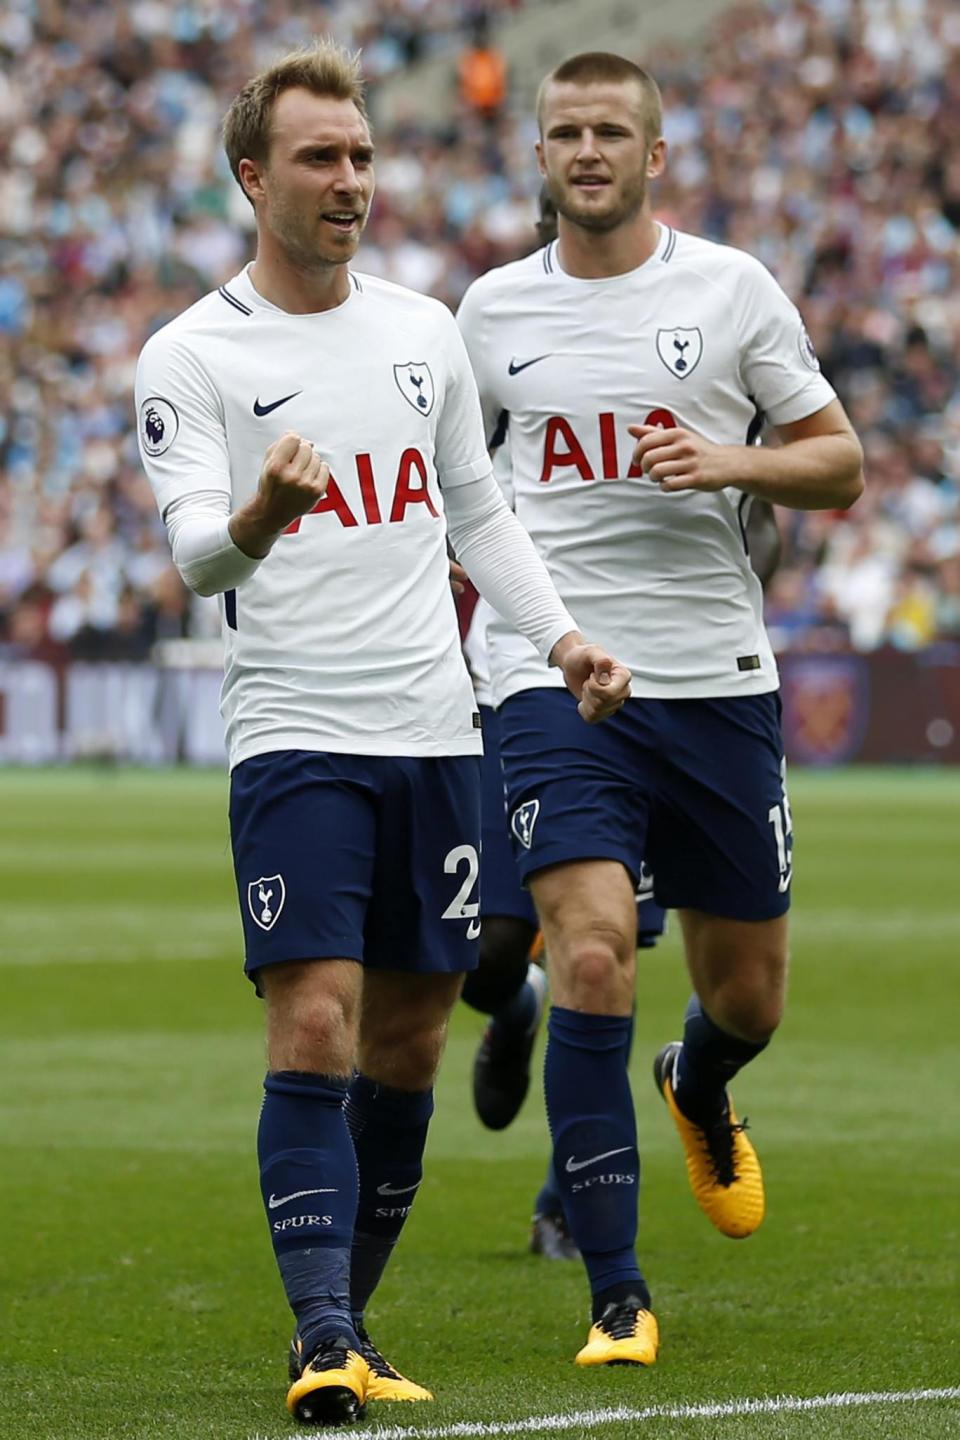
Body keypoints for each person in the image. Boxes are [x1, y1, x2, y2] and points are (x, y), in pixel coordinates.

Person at [134, 40, 631, 1427]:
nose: (350, 177)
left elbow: (479, 515)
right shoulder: (193, 354)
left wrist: (563, 635)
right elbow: (193, 557)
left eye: (359, 155)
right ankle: (320, 1338)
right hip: (295, 735)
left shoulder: (423, 333)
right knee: (314, 1028)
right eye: (319, 156)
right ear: (253, 175)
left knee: (409, 1045)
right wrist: (259, 518)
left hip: (439, 730)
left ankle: (350, 1323)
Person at [456, 50, 863, 1368]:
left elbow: (840, 462)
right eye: (564, 132)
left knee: (746, 997)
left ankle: (696, 1085)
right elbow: (462, 501)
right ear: (541, 155)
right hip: (556, 676)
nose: (586, 151)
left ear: (656, 153)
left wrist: (728, 458)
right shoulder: (489, 313)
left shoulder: (731, 289)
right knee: (586, 955)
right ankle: (616, 1295)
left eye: (610, 131)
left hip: (717, 684)